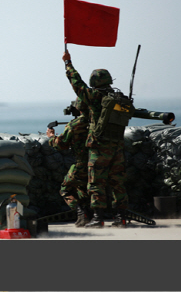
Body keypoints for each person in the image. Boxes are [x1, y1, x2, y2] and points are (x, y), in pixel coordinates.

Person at [62, 50, 129, 228]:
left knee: (96, 183)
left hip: (99, 147)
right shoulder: (119, 99)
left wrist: (68, 63)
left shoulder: (94, 97)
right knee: (117, 183)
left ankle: (98, 218)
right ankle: (121, 218)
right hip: (118, 146)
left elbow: (77, 84)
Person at [46, 98, 92, 227]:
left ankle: (82, 214)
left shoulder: (75, 124)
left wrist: (51, 137)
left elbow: (60, 144)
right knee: (83, 190)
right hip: (100, 163)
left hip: (82, 164)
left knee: (65, 189)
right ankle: (92, 215)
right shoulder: (97, 123)